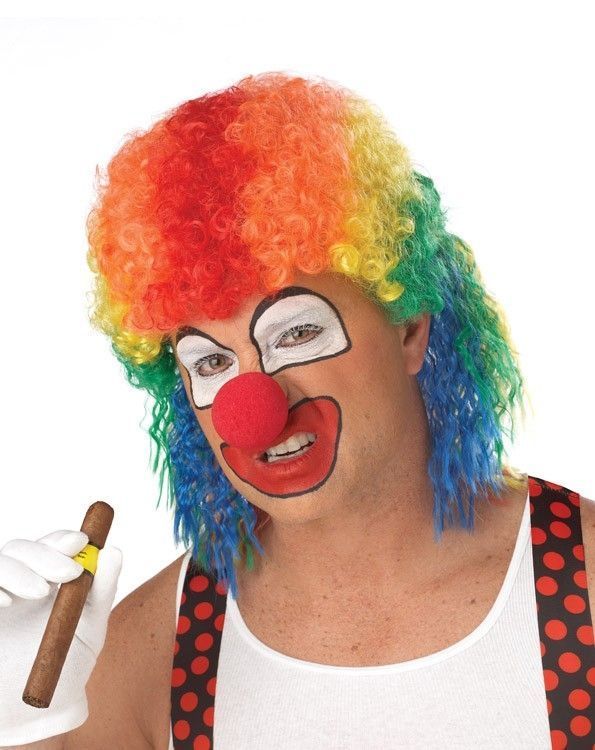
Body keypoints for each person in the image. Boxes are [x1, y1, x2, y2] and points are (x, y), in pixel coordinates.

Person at [0, 71, 593, 750]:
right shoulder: (153, 650)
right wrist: (27, 727)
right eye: (210, 363)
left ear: (408, 329)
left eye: (298, 333)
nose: (251, 406)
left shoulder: (581, 587)